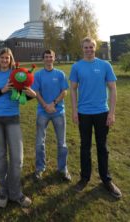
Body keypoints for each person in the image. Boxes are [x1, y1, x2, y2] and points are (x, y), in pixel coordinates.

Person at [69, 37, 122, 199]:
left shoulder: (105, 65)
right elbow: (72, 89)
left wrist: (111, 113)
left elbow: (113, 89)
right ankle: (84, 178)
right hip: (84, 113)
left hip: (101, 112)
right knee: (85, 146)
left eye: (91, 47)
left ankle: (106, 180)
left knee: (102, 147)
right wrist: (74, 111)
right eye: (86, 47)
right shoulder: (76, 67)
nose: (89, 50)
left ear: (95, 48)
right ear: (82, 48)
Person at [0, 47, 36, 208]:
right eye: (2, 58)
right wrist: (2, 90)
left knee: (17, 159)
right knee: (1, 156)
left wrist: (32, 95)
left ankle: (16, 193)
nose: (5, 60)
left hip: (13, 119)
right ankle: (3, 191)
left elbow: (25, 93)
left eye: (8, 58)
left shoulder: (17, 73)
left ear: (11, 59)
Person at [32, 49, 71, 181]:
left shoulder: (60, 74)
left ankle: (62, 168)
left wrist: (53, 104)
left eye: (51, 57)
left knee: (62, 143)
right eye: (46, 57)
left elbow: (64, 91)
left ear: (54, 58)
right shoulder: (38, 75)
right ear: (43, 59)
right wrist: (45, 105)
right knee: (39, 142)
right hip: (42, 112)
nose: (49, 59)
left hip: (58, 111)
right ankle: (40, 168)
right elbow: (36, 92)